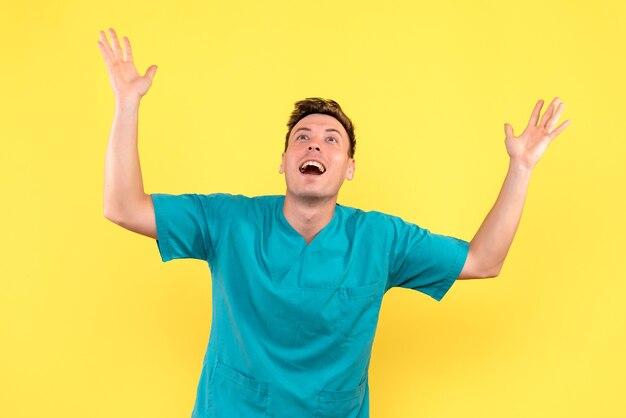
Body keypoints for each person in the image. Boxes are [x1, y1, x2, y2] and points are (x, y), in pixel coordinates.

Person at [98, 27, 571, 418]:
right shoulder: (228, 221)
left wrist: (522, 168)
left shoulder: (380, 239)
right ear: (282, 162)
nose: (314, 146)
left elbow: (484, 260)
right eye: (302, 138)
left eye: (331, 140)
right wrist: (127, 104)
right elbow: (122, 206)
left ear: (348, 167)